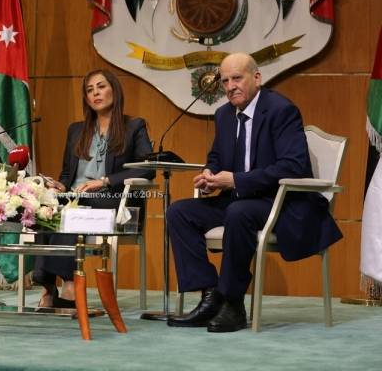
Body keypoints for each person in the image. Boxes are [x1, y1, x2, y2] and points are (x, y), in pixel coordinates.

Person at [165, 53, 342, 332]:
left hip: (280, 203)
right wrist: (210, 174)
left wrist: (237, 180)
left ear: (256, 78)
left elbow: (293, 166)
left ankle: (233, 303)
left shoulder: (281, 110)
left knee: (239, 212)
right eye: (225, 81)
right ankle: (210, 296)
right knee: (179, 212)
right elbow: (216, 156)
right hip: (239, 200)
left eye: (237, 78)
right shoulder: (224, 115)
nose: (230, 86)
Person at [35, 69, 155, 308]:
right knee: (42, 207)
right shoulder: (76, 130)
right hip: (76, 197)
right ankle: (47, 286)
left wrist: (105, 181)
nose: (95, 93)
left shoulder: (134, 126)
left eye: (101, 87)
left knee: (72, 207)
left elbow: (147, 169)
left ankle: (69, 286)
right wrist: (59, 186)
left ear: (114, 90)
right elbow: (67, 174)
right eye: (90, 90)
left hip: (111, 199)